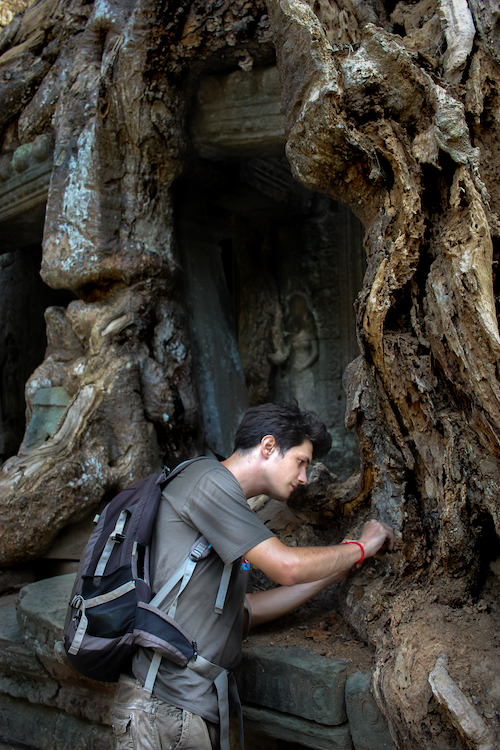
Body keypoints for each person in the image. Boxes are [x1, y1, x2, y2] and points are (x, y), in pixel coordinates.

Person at [112, 402, 394, 750]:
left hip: (190, 711)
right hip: (160, 712)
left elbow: (243, 611)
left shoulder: (228, 506)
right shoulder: (207, 482)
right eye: (301, 462)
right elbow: (286, 566)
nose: (305, 478)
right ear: (269, 446)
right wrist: (361, 546)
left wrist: (330, 576)